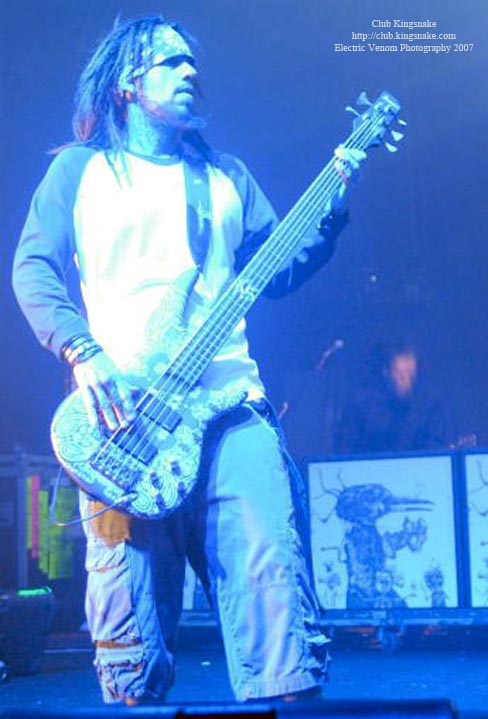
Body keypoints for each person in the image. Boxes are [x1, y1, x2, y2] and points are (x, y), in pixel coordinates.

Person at [12, 16, 365, 704]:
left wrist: (330, 210)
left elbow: (278, 269)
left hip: (231, 409)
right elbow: (33, 268)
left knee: (279, 613)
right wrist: (80, 349)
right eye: (170, 62)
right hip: (126, 426)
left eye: (192, 62)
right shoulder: (78, 172)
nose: (190, 72)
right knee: (132, 646)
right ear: (127, 82)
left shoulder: (226, 177)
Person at [335, 343, 449, 454]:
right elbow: (345, 446)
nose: (405, 379)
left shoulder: (429, 404)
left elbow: (436, 446)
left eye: (409, 372)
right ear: (386, 373)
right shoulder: (362, 404)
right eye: (399, 373)